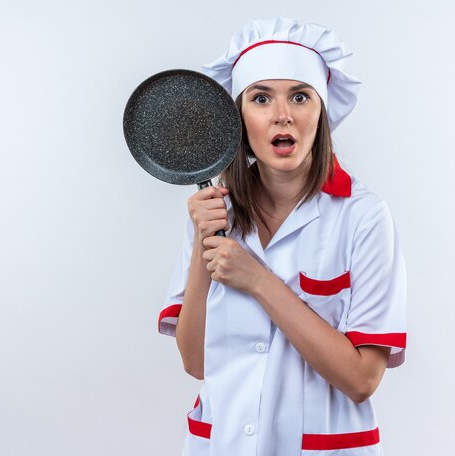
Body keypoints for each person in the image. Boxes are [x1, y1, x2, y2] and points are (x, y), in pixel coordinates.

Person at [158, 17, 407, 456]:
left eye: (299, 96)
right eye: (260, 98)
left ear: (321, 111)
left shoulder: (364, 217)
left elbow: (362, 379)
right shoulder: (214, 212)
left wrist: (258, 281)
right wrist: (203, 242)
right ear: (237, 118)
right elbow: (196, 361)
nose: (282, 115)